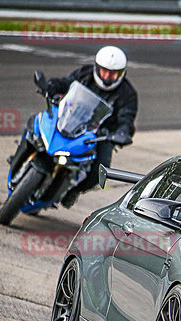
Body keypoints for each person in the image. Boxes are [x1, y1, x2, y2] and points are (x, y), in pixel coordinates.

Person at [44, 46, 138, 207]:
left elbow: (127, 119)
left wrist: (122, 132)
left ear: (122, 73)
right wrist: (52, 85)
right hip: (72, 119)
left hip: (100, 135)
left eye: (114, 73)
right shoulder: (85, 74)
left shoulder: (128, 94)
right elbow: (66, 83)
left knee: (101, 169)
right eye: (105, 71)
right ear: (97, 68)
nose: (108, 76)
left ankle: (74, 191)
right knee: (37, 126)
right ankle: (23, 156)